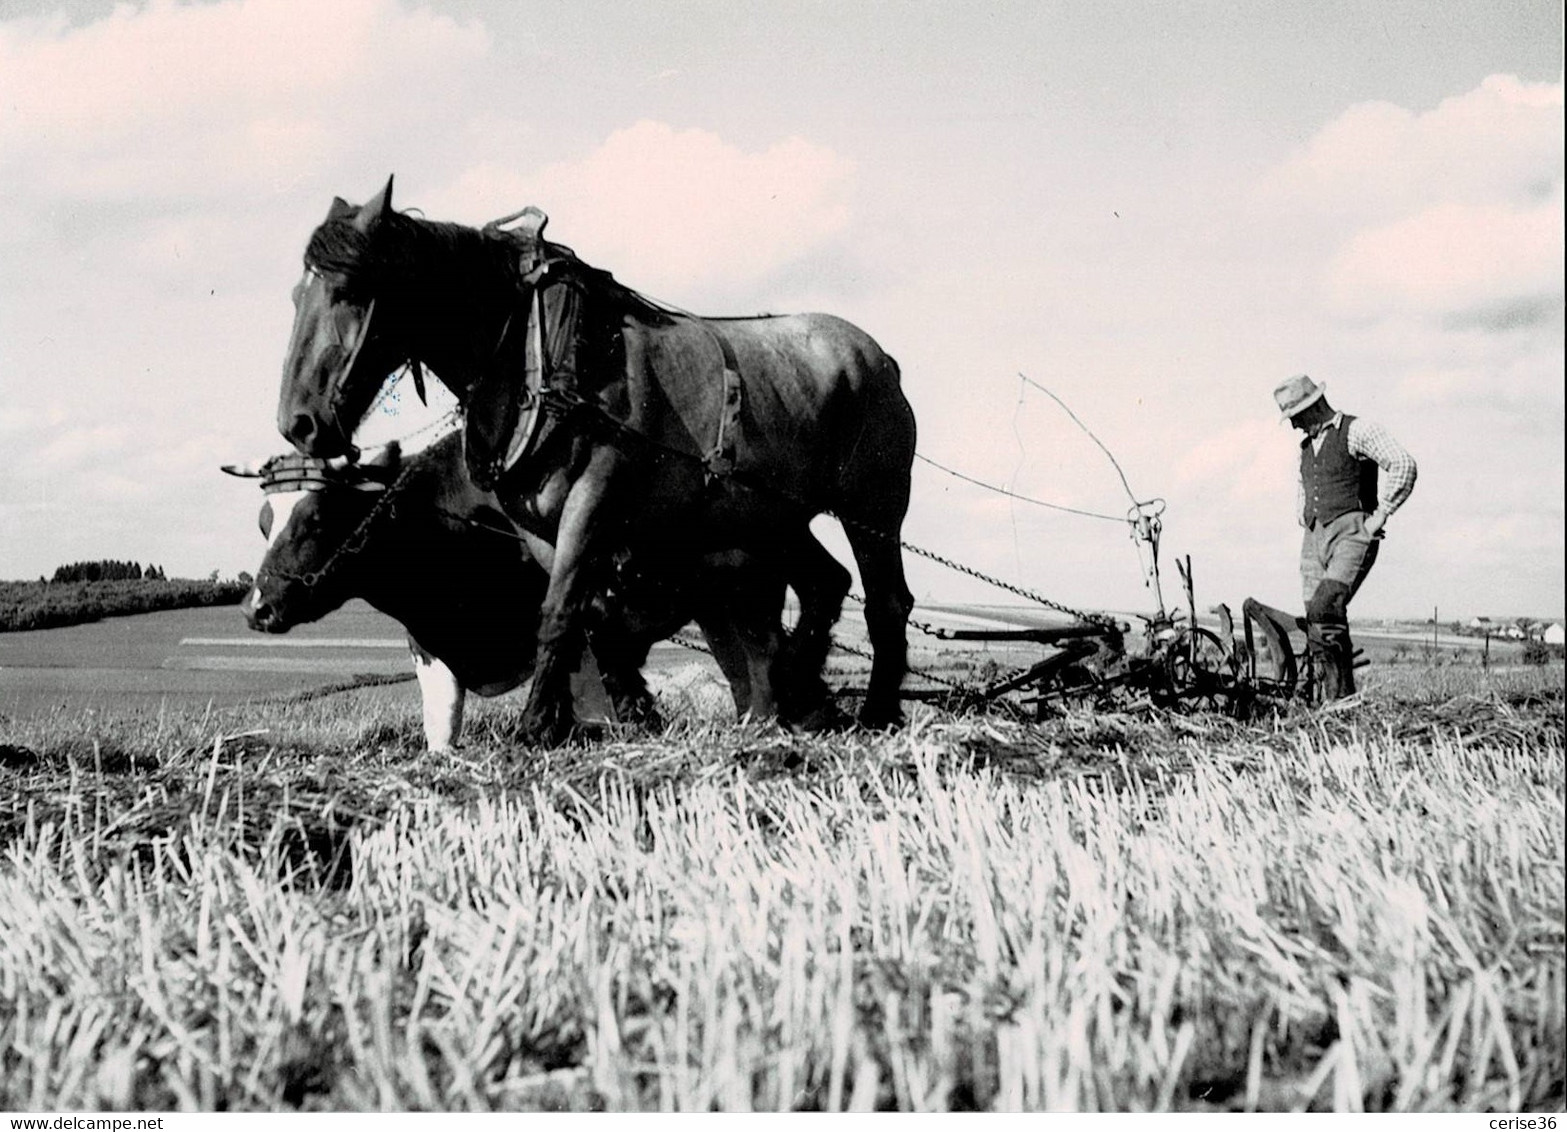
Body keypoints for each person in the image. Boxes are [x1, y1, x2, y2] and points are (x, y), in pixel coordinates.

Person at [1273, 374, 1417, 700]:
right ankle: (1336, 698)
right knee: (1318, 621)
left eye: (1294, 416)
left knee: (1326, 609)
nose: (1294, 425)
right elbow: (1303, 484)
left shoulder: (1357, 431)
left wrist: (1381, 514)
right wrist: (1305, 516)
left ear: (1313, 406)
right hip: (1314, 536)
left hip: (1352, 532)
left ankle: (1340, 702)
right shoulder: (1306, 446)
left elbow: (1403, 464)